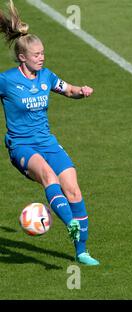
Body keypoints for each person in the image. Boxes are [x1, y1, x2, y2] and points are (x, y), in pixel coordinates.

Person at [0, 1, 99, 265]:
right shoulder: (7, 80)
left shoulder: (46, 76)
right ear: (22, 57)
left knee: (74, 189)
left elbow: (67, 89)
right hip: (21, 146)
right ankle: (70, 223)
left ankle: (82, 252)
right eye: (36, 55)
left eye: (43, 53)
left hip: (47, 141)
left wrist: (81, 91)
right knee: (48, 175)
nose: (41, 58)